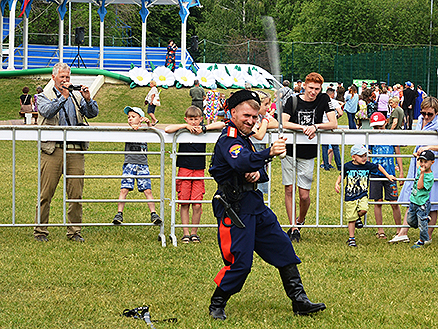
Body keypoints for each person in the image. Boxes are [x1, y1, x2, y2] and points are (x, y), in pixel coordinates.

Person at [208, 89, 326, 321]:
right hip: (236, 209)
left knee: (284, 248)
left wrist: (257, 173)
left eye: (255, 117)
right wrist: (268, 153)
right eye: (246, 116)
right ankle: (217, 303)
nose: (251, 121)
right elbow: (240, 160)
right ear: (232, 113)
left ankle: (299, 300)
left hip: (256, 206)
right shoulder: (228, 139)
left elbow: (260, 172)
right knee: (240, 263)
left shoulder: (245, 139)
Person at [34, 62, 99, 242]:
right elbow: (47, 111)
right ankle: (40, 231)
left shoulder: (76, 96)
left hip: (75, 150)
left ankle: (74, 231)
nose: (65, 80)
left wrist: (87, 98)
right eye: (62, 77)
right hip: (52, 151)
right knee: (45, 193)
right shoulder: (42, 95)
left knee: (76, 194)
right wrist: (62, 97)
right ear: (53, 77)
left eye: (68, 77)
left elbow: (93, 113)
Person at [282, 72, 337, 242]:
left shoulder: (323, 100)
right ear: (304, 85)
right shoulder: (292, 100)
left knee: (304, 195)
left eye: (317, 89)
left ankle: (300, 220)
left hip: (308, 152)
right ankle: (293, 227)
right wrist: (302, 128)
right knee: (289, 189)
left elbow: (333, 123)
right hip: (290, 150)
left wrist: (315, 126)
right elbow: (284, 122)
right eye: (311, 88)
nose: (313, 92)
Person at [165, 106, 224, 243]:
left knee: (197, 204)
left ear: (201, 119)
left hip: (199, 170)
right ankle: (185, 233)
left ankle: (194, 232)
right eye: (190, 119)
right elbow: (167, 129)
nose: (193, 122)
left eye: (196, 119)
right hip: (184, 169)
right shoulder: (182, 130)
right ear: (186, 119)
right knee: (184, 202)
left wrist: (204, 128)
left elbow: (222, 124)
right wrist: (185, 126)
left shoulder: (203, 130)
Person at [389, 97, 438, 243]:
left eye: (430, 114)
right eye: (424, 113)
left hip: (433, 165)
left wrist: (429, 148)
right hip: (417, 163)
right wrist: (417, 151)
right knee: (413, 195)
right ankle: (403, 232)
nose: (426, 117)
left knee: (433, 201)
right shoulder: (419, 121)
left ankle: (427, 236)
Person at [335, 145, 396, 247]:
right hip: (350, 196)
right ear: (353, 157)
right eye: (361, 156)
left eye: (365, 155)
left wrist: (388, 175)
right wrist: (337, 183)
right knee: (351, 219)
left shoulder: (367, 165)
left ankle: (357, 218)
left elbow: (378, 167)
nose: (364, 158)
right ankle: (351, 238)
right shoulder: (347, 166)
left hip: (362, 194)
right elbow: (342, 175)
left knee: (364, 209)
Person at [112, 106, 162, 226]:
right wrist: (133, 129)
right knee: (124, 189)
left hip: (143, 164)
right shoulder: (127, 131)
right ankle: (119, 213)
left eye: (133, 117)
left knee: (147, 190)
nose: (130, 119)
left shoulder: (146, 131)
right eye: (128, 117)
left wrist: (149, 123)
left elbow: (155, 133)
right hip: (129, 163)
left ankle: (153, 213)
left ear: (140, 119)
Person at [368, 112, 402, 239]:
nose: (378, 130)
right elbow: (367, 152)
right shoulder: (370, 137)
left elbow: (398, 154)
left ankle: (400, 230)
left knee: (394, 202)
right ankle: (380, 230)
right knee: (378, 201)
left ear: (386, 123)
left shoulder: (392, 136)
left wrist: (401, 172)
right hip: (376, 173)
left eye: (380, 127)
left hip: (391, 174)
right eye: (375, 128)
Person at [406, 150, 435, 248]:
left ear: (432, 162)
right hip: (413, 201)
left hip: (422, 204)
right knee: (410, 221)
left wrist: (422, 174)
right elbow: (418, 165)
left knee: (422, 226)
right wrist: (416, 156)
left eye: (425, 162)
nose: (422, 164)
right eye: (421, 161)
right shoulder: (421, 168)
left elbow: (419, 186)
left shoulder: (429, 176)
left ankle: (422, 241)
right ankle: (425, 219)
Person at [321, 87, 343, 171]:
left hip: (323, 125)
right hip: (332, 126)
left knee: (324, 147)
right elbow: (340, 113)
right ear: (332, 94)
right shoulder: (334, 102)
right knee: (335, 147)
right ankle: (339, 166)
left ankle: (326, 165)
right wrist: (336, 118)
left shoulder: (321, 102)